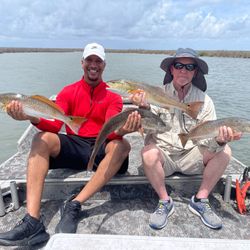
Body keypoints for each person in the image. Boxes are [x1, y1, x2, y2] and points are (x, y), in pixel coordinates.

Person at [0, 42, 141, 246]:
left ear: (104, 65)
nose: (93, 65)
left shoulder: (113, 96)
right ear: (82, 63)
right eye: (89, 60)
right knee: (40, 138)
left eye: (98, 61)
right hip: (75, 144)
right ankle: (32, 222)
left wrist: (125, 129)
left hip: (101, 146)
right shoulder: (67, 91)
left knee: (123, 145)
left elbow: (111, 133)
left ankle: (75, 204)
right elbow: (55, 126)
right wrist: (30, 117)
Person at [131, 48, 241, 230]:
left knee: (226, 150)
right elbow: (148, 129)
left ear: (195, 72)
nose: (184, 70)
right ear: (171, 69)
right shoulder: (155, 93)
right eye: (179, 65)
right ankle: (164, 201)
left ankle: (200, 199)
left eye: (189, 66)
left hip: (192, 156)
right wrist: (144, 109)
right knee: (148, 153)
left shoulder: (205, 101)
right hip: (163, 156)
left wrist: (220, 141)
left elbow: (208, 139)